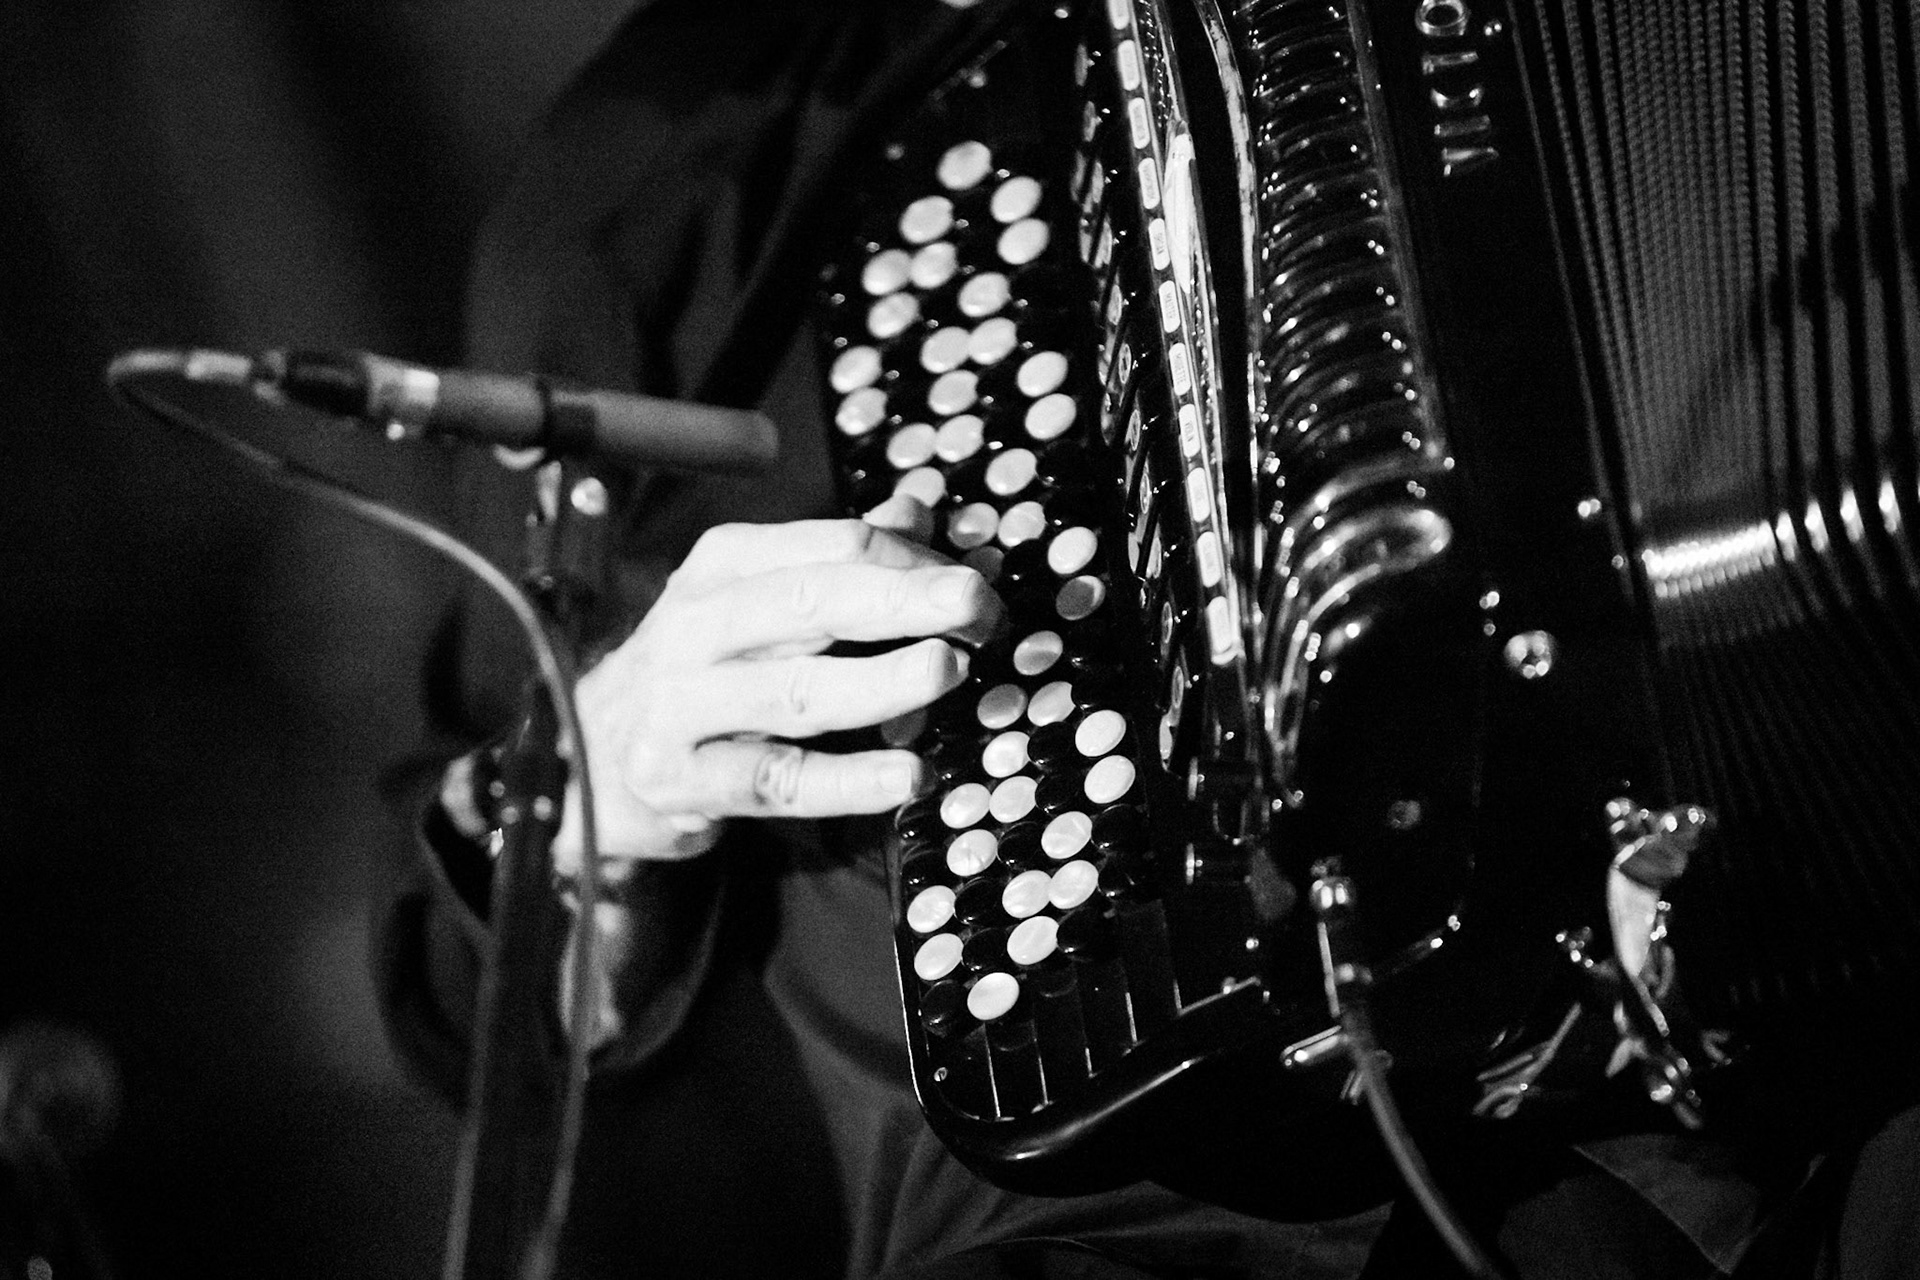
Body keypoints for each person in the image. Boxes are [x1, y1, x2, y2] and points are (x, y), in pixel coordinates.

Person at [371, 0, 1917, 1276]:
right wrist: (600, 790)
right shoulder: (658, 175)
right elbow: (473, 989)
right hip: (1147, 1186)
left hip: (1783, 954)